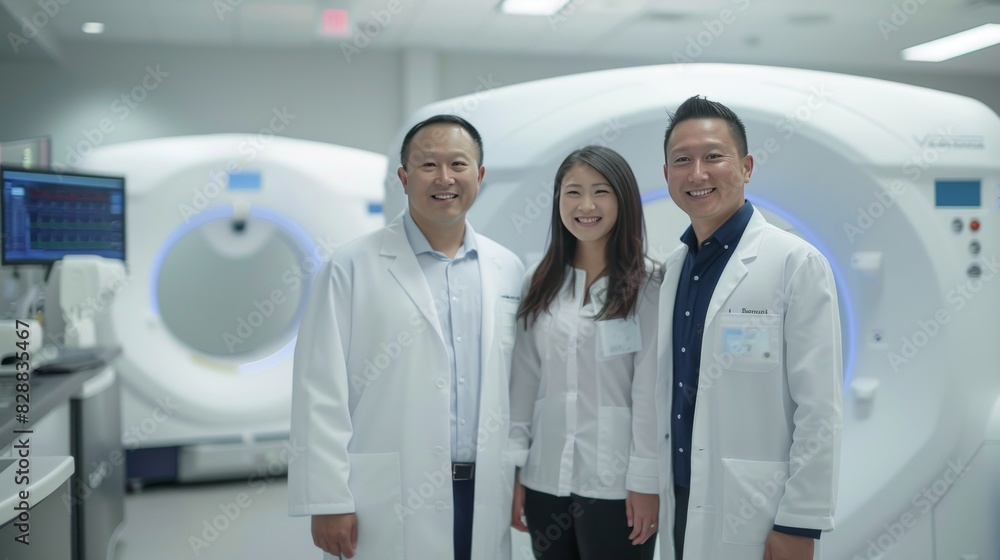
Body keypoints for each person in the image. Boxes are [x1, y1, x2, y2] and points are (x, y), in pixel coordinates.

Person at [287, 114, 525, 560]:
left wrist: (520, 475)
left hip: (484, 485)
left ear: (480, 175)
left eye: (458, 164)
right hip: (388, 492)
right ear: (403, 177)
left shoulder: (508, 269)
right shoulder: (352, 267)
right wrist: (327, 499)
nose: (444, 178)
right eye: (427, 165)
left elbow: (519, 387)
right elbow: (319, 390)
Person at [650, 95, 842, 560]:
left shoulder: (794, 263)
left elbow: (819, 407)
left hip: (754, 508)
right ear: (667, 175)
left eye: (713, 156)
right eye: (682, 160)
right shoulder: (673, 269)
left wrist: (801, 522)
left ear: (747, 165)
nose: (697, 173)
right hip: (679, 496)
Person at [508, 145, 662, 560]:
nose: (586, 205)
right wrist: (515, 471)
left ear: (624, 200)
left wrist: (646, 482)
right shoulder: (538, 282)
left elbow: (650, 392)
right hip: (545, 479)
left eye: (601, 191)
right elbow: (524, 384)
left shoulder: (650, 285)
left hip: (617, 486)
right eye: (573, 192)